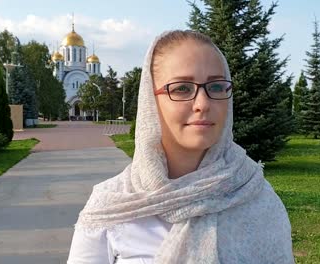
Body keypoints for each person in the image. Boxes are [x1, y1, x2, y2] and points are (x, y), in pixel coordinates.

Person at [67, 30, 294, 264]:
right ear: (151, 101)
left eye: (216, 87)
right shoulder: (113, 206)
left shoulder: (255, 196)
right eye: (182, 89)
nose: (203, 104)